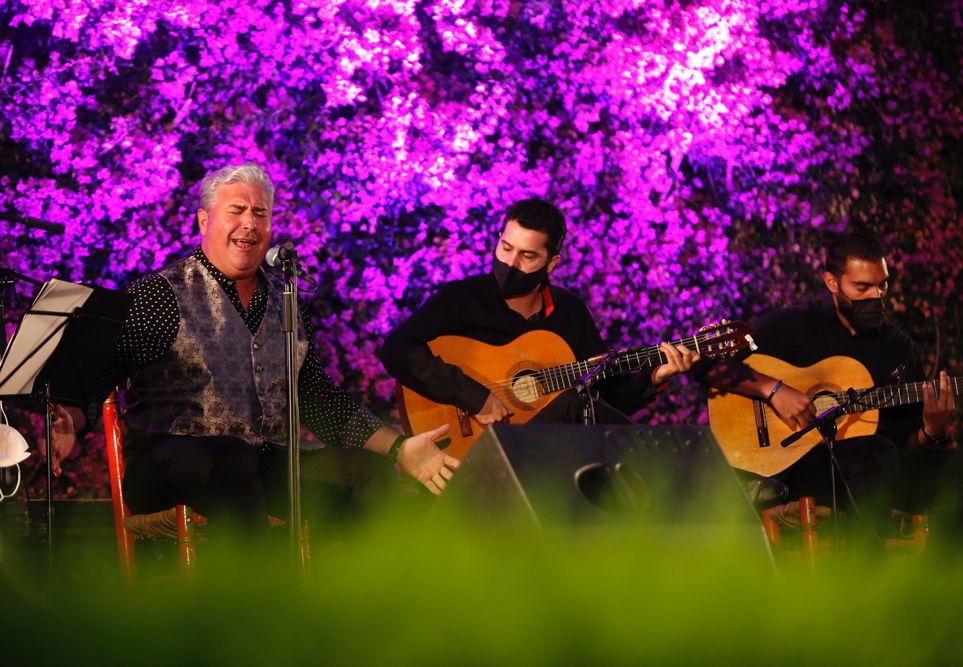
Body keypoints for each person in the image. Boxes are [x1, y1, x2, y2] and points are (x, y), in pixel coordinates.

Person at [49, 162, 458, 536]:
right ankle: (258, 600)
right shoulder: (161, 294)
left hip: (258, 463)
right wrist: (71, 417)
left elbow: (314, 397)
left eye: (260, 213)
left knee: (362, 473)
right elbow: (99, 369)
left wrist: (399, 448)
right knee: (232, 458)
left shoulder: (286, 301)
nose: (249, 223)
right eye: (237, 210)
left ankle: (355, 599)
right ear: (205, 220)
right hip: (168, 463)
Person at [700, 230, 963, 544]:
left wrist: (931, 431)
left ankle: (939, 576)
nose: (876, 296)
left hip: (882, 468)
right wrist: (774, 390)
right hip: (806, 468)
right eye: (862, 287)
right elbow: (704, 362)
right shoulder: (794, 327)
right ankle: (866, 570)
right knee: (872, 451)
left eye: (882, 285)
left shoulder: (898, 347)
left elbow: (908, 443)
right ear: (832, 282)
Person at [378, 198, 700, 436]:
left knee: (576, 402)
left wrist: (655, 378)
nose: (510, 263)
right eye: (505, 248)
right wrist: (474, 396)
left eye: (527, 256)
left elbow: (601, 402)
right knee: (573, 403)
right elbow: (397, 350)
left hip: (547, 456)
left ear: (552, 263)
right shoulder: (463, 298)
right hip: (478, 450)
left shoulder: (569, 313)